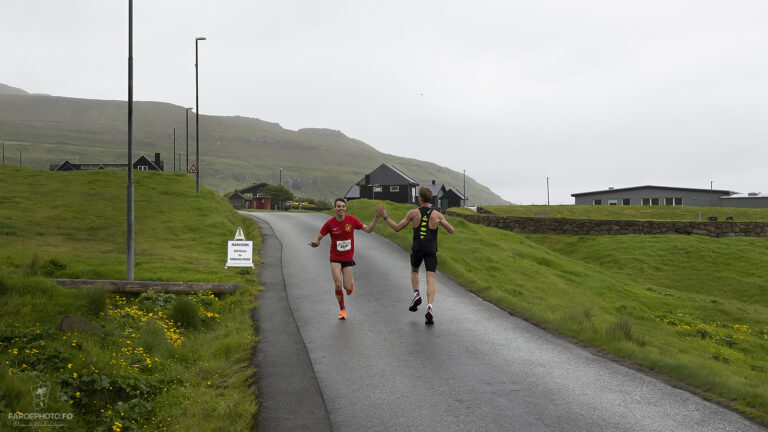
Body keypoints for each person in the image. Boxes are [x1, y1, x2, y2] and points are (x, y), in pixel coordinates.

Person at [376, 187, 455, 324]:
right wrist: (441, 222)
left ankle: (416, 294)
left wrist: (385, 217)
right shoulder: (437, 215)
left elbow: (397, 228)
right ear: (430, 199)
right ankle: (429, 307)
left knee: (414, 271)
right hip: (431, 249)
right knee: (430, 277)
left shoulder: (413, 213)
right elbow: (451, 231)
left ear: (420, 198)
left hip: (418, 248)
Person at [309, 198, 380, 320]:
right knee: (338, 284)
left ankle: (350, 284)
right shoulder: (330, 223)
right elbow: (318, 236)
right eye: (338, 206)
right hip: (335, 257)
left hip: (347, 258)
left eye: (343, 206)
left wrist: (376, 218)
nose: (341, 208)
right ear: (335, 208)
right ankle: (342, 309)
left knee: (347, 287)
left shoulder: (351, 220)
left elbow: (368, 230)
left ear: (345, 208)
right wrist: (315, 242)